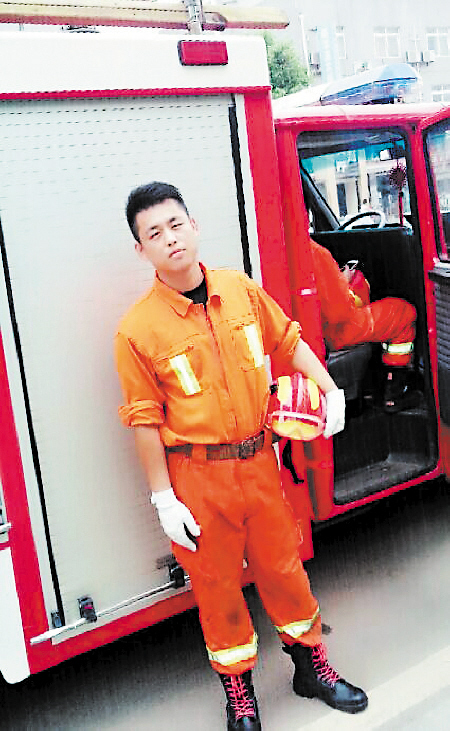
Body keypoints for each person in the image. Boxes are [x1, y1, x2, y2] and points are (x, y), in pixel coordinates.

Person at [115, 182, 368, 730]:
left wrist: (330, 390)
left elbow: (288, 341)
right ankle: (240, 697)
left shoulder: (240, 290)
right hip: (198, 478)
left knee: (285, 571)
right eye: (154, 233)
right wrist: (164, 499)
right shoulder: (137, 331)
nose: (170, 239)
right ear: (141, 249)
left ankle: (312, 670)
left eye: (175, 224)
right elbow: (144, 419)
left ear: (194, 225)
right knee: (218, 590)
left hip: (259, 463)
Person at [310, 239, 418, 413]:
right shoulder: (316, 253)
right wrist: (345, 281)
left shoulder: (274, 249)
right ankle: (395, 392)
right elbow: (339, 313)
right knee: (402, 312)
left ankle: (376, 387)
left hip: (310, 328)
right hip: (331, 331)